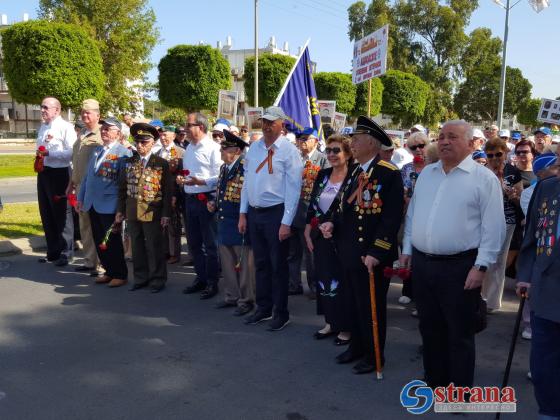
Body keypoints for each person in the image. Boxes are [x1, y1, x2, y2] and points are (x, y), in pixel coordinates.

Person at [400, 120, 505, 389]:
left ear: (471, 144)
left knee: (459, 333)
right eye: (442, 136)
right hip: (423, 264)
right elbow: (413, 215)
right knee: (429, 327)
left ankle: (459, 388)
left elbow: (494, 228)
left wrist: (481, 267)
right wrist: (407, 249)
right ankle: (435, 380)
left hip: (461, 267)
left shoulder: (484, 179)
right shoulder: (427, 174)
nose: (445, 141)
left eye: (453, 137)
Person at [322, 116, 404, 374]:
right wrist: (331, 223)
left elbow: (391, 219)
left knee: (372, 307)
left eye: (356, 140)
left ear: (371, 142)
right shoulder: (356, 171)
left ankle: (374, 355)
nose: (352, 144)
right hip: (349, 251)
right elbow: (344, 207)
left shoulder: (388, 173)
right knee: (353, 303)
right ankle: (357, 346)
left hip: (371, 255)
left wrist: (377, 251)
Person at [238, 106, 303, 331]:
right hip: (255, 213)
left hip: (276, 213)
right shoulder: (254, 148)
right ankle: (263, 308)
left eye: (271, 122)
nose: (266, 126)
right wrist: (243, 213)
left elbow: (294, 189)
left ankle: (281, 312)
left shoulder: (289, 151)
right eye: (264, 121)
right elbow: (247, 182)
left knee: (278, 266)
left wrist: (286, 222)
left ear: (281, 125)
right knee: (261, 264)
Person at [516, 175, 560, 420]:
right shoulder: (547, 186)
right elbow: (532, 235)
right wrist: (525, 274)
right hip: (544, 293)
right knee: (543, 369)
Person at [304, 134, 354, 345]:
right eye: (329, 150)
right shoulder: (323, 174)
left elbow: (351, 209)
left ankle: (346, 326)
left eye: (337, 150)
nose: (332, 154)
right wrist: (308, 230)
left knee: (342, 282)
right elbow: (313, 205)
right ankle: (330, 322)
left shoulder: (354, 176)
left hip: (342, 237)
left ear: (348, 153)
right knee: (323, 278)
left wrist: (333, 223)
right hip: (320, 236)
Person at [117, 123, 173, 293]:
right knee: (137, 246)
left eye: (144, 142)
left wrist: (166, 214)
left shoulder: (161, 163)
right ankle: (141, 278)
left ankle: (158, 279)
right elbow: (122, 189)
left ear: (152, 143)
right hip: (132, 211)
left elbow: (167, 191)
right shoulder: (129, 162)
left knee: (154, 246)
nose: (140, 146)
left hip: (152, 211)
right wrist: (120, 211)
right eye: (137, 142)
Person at [77, 118, 132, 287]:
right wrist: (80, 198)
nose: (104, 131)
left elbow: (124, 184)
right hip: (92, 203)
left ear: (118, 133)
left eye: (109, 129)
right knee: (99, 239)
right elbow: (88, 177)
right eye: (103, 128)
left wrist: (120, 209)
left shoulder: (124, 153)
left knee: (112, 241)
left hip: (110, 204)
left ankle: (120, 274)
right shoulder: (97, 150)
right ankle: (109, 271)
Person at [209, 130, 255, 316]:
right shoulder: (224, 168)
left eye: (224, 149)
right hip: (224, 220)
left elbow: (249, 196)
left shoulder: (246, 167)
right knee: (227, 262)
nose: (221, 151)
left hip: (239, 222)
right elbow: (223, 191)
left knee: (243, 265)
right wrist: (214, 202)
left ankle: (246, 300)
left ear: (236, 151)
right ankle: (231, 295)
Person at [179, 113, 223, 299]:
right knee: (195, 243)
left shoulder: (214, 148)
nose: (186, 128)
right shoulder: (189, 147)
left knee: (210, 244)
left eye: (189, 125)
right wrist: (182, 177)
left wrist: (201, 181)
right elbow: (188, 171)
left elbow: (220, 176)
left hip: (206, 198)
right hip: (190, 199)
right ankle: (201, 277)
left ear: (201, 127)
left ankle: (213, 282)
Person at [482, 138, 523, 312]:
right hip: (485, 220)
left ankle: (492, 302)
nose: (494, 158)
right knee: (483, 259)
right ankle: (481, 297)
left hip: (507, 221)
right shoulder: (481, 171)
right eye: (490, 155)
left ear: (505, 152)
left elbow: (520, 200)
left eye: (498, 154)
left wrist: (512, 194)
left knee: (499, 261)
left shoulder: (513, 172)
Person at [36, 96, 77, 266]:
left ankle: (67, 252)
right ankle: (53, 251)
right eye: (42, 107)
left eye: (46, 107)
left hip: (60, 173)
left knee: (62, 214)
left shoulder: (65, 127)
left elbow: (72, 152)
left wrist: (50, 154)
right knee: (46, 212)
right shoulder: (43, 127)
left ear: (57, 110)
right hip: (44, 172)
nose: (43, 110)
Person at [288, 127, 328, 296]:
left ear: (316, 141)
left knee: (310, 252)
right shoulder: (295, 158)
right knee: (293, 251)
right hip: (293, 210)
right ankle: (294, 284)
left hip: (310, 212)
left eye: (306, 139)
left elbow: (326, 189)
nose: (302, 142)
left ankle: (313, 285)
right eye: (300, 139)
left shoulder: (323, 160)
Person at [67, 99, 102, 275]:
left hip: (95, 189)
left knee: (97, 225)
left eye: (88, 112)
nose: (85, 115)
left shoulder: (101, 135)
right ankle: (90, 261)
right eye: (83, 112)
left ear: (98, 115)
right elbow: (76, 162)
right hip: (80, 186)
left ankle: (102, 263)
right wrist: (71, 184)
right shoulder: (81, 134)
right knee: (85, 226)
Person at [156, 126, 185, 265]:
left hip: (173, 194)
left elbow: (181, 176)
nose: (163, 138)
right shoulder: (157, 152)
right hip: (158, 193)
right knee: (162, 224)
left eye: (166, 135)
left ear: (173, 136)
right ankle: (165, 251)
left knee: (173, 225)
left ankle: (174, 253)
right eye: (161, 135)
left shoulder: (180, 152)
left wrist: (175, 195)